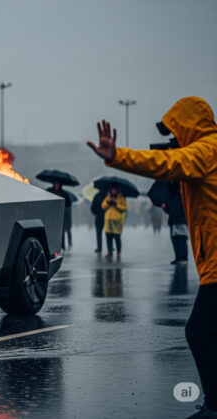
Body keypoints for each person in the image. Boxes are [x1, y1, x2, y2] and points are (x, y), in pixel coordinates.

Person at [87, 97, 217, 417]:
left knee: (199, 331)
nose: (172, 140)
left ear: (188, 127)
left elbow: (167, 164)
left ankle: (215, 407)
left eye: (175, 133)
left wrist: (118, 156)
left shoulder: (205, 151)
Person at [163, 182, 189, 265]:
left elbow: (171, 209)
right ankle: (179, 257)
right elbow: (170, 209)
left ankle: (182, 257)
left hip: (178, 220)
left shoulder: (177, 197)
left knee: (180, 239)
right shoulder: (177, 197)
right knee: (177, 239)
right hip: (176, 221)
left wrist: (165, 207)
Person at [101, 185, 126, 259]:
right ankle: (109, 252)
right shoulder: (108, 197)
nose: (113, 191)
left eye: (115, 190)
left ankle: (118, 252)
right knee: (108, 237)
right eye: (112, 190)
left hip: (117, 222)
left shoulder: (121, 198)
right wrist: (108, 203)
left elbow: (124, 208)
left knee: (117, 238)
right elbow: (103, 206)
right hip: (108, 221)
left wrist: (116, 204)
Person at [46, 181, 73, 249]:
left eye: (58, 184)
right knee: (52, 231)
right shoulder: (49, 191)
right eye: (56, 184)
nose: (57, 186)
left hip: (61, 215)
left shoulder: (64, 194)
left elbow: (69, 204)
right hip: (52, 215)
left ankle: (62, 246)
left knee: (61, 231)